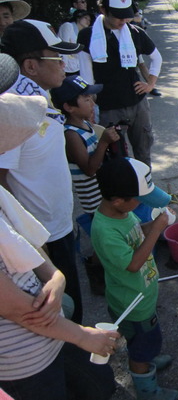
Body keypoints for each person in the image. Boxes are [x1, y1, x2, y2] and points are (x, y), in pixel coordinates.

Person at [0, 88, 118, 400]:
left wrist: (55, 276)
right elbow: (12, 305)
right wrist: (83, 336)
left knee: (96, 385)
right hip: (23, 362)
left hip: (51, 334)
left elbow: (23, 242)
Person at [0, 19, 84, 323]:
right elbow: (2, 181)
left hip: (59, 223)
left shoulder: (41, 99)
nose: (65, 64)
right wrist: (30, 242)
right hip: (41, 238)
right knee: (64, 313)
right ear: (31, 66)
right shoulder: (14, 112)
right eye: (57, 58)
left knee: (73, 301)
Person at [92, 157, 178, 400]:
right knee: (142, 344)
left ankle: (146, 355)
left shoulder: (121, 214)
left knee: (144, 339)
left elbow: (137, 233)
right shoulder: (105, 230)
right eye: (138, 199)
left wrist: (153, 224)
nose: (141, 203)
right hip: (132, 302)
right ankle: (148, 389)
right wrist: (159, 229)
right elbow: (133, 264)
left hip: (141, 294)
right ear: (118, 200)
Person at [77, 0, 162, 166]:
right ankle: (122, 192)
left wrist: (150, 84)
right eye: (117, 15)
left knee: (143, 151)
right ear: (103, 9)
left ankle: (145, 187)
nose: (123, 19)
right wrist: (90, 105)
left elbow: (156, 58)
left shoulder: (135, 33)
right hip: (108, 106)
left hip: (137, 103)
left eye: (126, 14)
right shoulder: (87, 36)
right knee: (116, 155)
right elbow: (86, 75)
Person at [50, 75, 120, 216]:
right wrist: (104, 142)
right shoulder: (71, 134)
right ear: (69, 107)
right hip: (95, 204)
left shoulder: (85, 124)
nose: (92, 104)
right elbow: (89, 169)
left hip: (104, 195)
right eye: (86, 100)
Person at [58, 9, 92, 76]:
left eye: (89, 20)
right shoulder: (68, 26)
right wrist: (63, 68)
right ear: (78, 18)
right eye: (86, 18)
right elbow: (64, 48)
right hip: (65, 68)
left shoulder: (83, 34)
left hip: (76, 68)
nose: (88, 22)